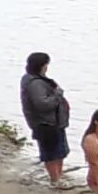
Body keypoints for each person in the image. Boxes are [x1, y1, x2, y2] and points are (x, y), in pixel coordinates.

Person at [20, 52, 71, 186]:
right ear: (42, 66)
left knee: (60, 151)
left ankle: (59, 175)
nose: (47, 67)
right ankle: (55, 180)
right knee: (51, 153)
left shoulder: (36, 80)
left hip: (55, 122)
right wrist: (57, 95)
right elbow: (43, 104)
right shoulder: (35, 84)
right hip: (46, 124)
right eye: (46, 64)